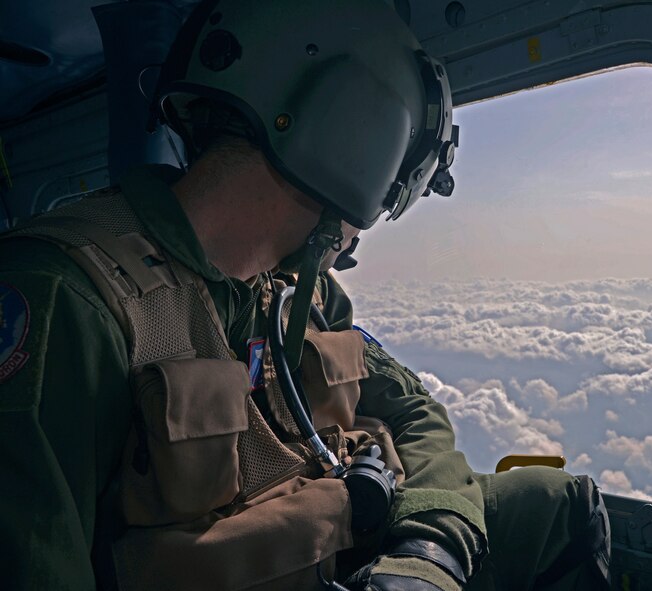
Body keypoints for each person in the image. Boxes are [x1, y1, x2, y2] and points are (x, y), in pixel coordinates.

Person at [0, 1, 611, 590]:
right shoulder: (64, 297)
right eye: (390, 184)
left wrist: (431, 545)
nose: (366, 225)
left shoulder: (303, 294)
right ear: (355, 146)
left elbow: (411, 409)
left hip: (336, 551)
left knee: (555, 507)